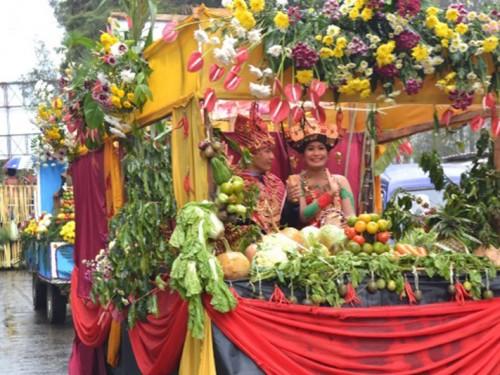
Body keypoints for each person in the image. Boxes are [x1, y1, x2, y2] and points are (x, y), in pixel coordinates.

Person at [282, 119, 355, 228]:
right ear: (303, 154)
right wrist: (330, 194)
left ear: (328, 153)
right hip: (309, 241)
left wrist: (348, 223)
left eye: (321, 148)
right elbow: (303, 216)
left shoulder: (340, 181)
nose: (316, 153)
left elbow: (351, 216)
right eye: (310, 149)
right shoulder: (297, 181)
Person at [232, 112, 286, 233]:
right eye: (267, 151)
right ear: (251, 152)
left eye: (271, 151)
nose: (272, 157)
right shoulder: (236, 183)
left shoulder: (276, 182)